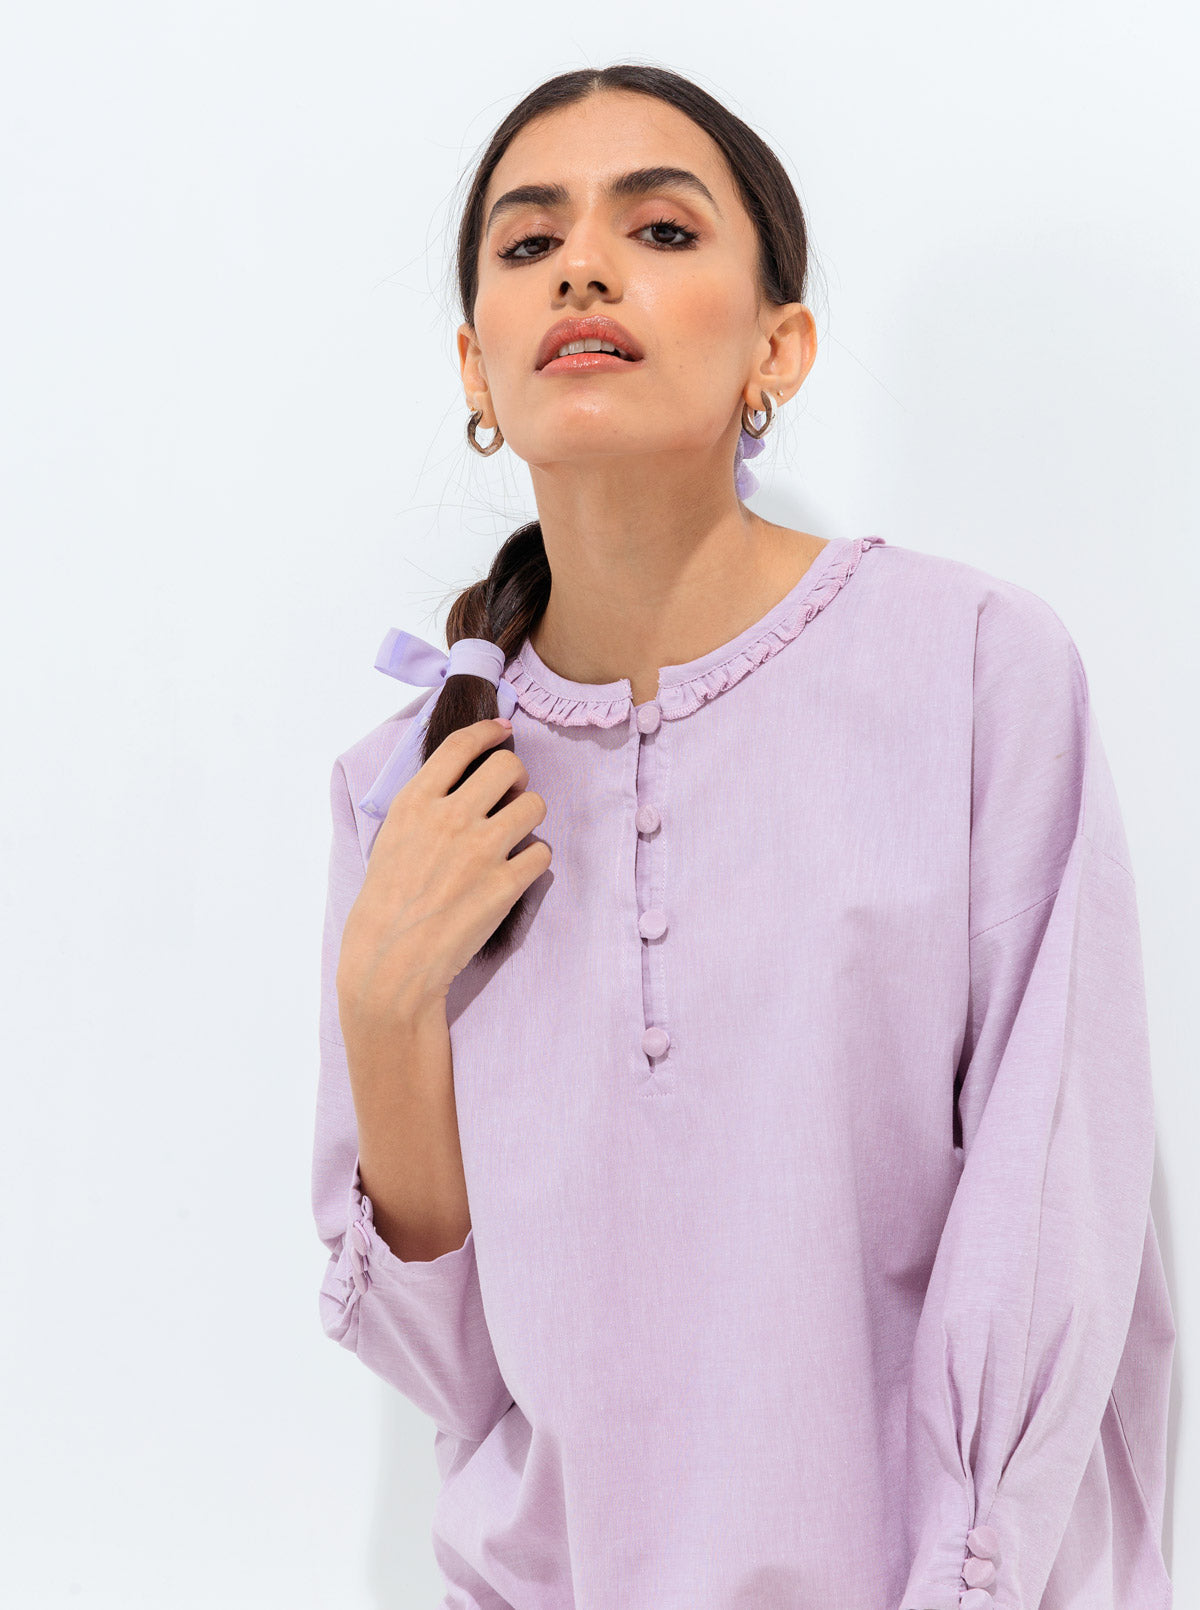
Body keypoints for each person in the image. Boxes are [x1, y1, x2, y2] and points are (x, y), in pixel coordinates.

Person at [311, 63, 1175, 1610]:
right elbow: (455, 1377)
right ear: (476, 368)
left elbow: (1057, 1219)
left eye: (658, 228)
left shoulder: (976, 672)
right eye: (529, 243)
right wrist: (381, 1003)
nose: (583, 267)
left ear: (779, 347)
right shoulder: (413, 786)